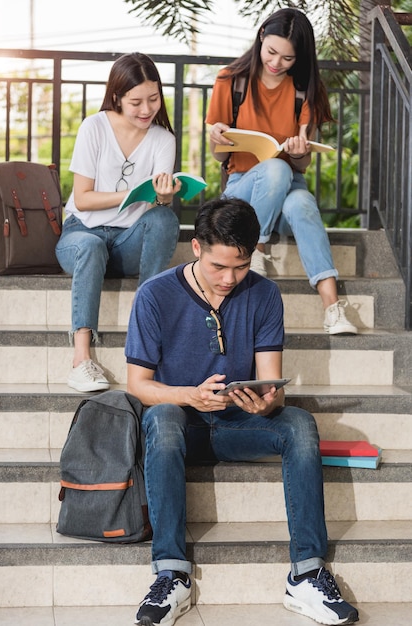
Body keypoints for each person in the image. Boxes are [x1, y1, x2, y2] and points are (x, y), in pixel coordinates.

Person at [125, 197, 359, 626]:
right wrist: (188, 396)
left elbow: (273, 383)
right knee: (160, 418)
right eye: (219, 266)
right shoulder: (154, 294)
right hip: (183, 427)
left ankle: (306, 573)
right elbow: (137, 385)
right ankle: (171, 574)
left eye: (241, 266)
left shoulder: (265, 294)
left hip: (238, 424)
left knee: (301, 424)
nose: (230, 278)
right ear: (195, 247)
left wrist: (268, 401)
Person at [206, 8, 357, 336]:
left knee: (301, 202)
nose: (276, 63)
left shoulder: (306, 90)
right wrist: (217, 137)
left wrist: (301, 154)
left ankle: (332, 307)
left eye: (287, 58)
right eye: (271, 52)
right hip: (241, 189)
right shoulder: (230, 80)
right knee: (274, 168)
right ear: (261, 37)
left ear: (300, 57)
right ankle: (254, 248)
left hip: (290, 184)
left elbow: (302, 165)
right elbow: (218, 154)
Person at [56, 52, 180, 393]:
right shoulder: (94, 127)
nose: (146, 109)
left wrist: (164, 195)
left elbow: (158, 204)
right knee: (92, 245)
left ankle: (148, 321)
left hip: (128, 243)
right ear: (117, 97)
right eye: (136, 101)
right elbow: (83, 198)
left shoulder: (163, 139)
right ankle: (82, 359)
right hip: (82, 235)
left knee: (164, 219)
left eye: (153, 99)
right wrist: (131, 196)